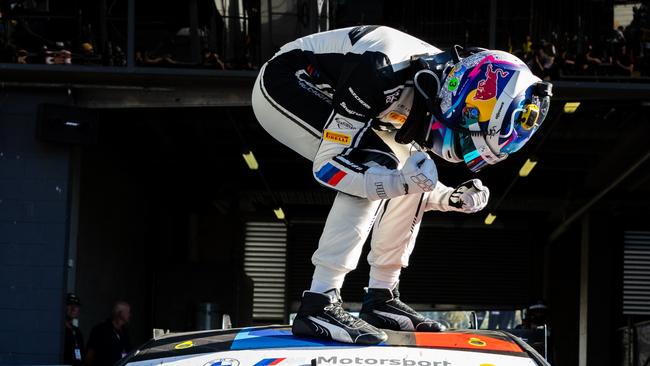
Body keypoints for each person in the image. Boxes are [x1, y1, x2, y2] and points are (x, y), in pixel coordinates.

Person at [252, 25, 552, 344]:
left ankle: (381, 295)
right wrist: (395, 181)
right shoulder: (380, 69)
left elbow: (413, 179)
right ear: (461, 96)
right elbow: (329, 167)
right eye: (465, 132)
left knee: (405, 164)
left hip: (351, 102)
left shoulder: (435, 82)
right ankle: (319, 301)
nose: (461, 146)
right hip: (290, 82)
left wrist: (451, 197)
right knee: (374, 162)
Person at [85, 301, 132, 366]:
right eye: (128, 312)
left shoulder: (125, 332)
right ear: (120, 313)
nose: (130, 315)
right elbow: (90, 355)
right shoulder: (100, 329)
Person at [63, 293, 84, 366]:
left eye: (76, 305)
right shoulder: (59, 331)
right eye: (70, 304)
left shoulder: (77, 331)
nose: (74, 308)